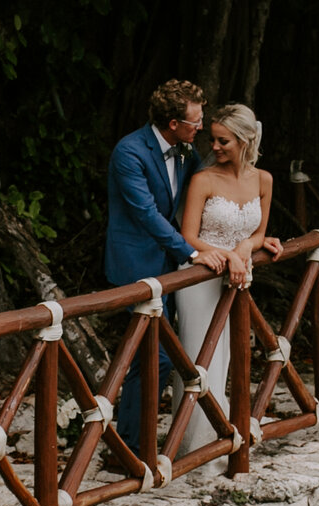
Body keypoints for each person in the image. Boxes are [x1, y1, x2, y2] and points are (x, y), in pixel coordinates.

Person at [104, 80, 225, 461]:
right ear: (173, 123)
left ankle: (127, 445)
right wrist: (190, 253)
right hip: (136, 266)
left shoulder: (185, 153)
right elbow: (147, 215)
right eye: (195, 122)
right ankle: (131, 448)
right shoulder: (130, 152)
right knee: (156, 356)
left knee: (148, 357)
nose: (200, 128)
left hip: (169, 267)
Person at [173, 104, 285, 455]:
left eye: (223, 141)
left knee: (228, 359)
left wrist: (246, 248)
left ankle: (224, 439)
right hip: (199, 277)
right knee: (199, 360)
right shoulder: (203, 179)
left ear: (245, 141)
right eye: (213, 139)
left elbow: (258, 233)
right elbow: (188, 236)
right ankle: (193, 448)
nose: (215, 147)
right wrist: (230, 255)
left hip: (236, 278)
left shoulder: (263, 180)